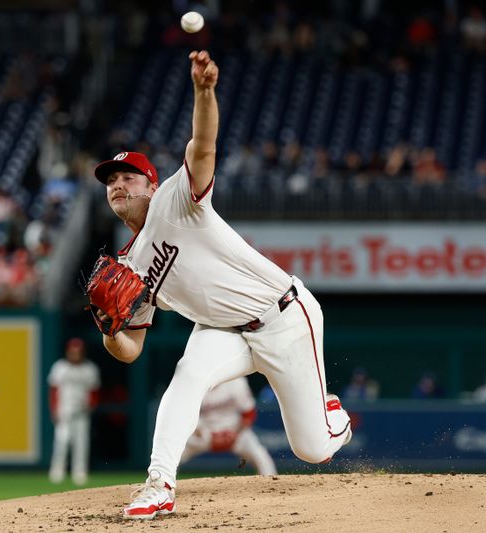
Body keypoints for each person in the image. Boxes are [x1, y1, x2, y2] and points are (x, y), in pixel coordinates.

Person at [91, 50, 352, 520]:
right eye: (110, 181)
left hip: (284, 316)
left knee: (313, 450)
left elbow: (203, 145)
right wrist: (111, 329)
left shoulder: (176, 199)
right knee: (185, 379)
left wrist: (204, 91)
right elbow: (130, 351)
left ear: (151, 185)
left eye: (128, 177)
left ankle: (330, 411)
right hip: (221, 331)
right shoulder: (127, 265)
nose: (118, 186)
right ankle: (159, 485)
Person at [180, 377, 277, 476]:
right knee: (174, 454)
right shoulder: (192, 386)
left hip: (234, 429)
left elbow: (249, 413)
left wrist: (235, 433)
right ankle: (164, 482)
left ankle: (271, 483)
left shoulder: (236, 382)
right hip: (203, 432)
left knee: (260, 455)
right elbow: (185, 417)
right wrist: (201, 432)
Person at [47, 337, 100, 486]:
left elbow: (94, 391)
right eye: (72, 351)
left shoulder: (89, 369)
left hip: (82, 411)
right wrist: (54, 409)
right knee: (62, 442)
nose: (75, 354)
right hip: (64, 409)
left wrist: (91, 405)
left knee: (81, 443)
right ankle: (57, 471)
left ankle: (80, 472)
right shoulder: (60, 367)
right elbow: (53, 390)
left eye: (77, 351)